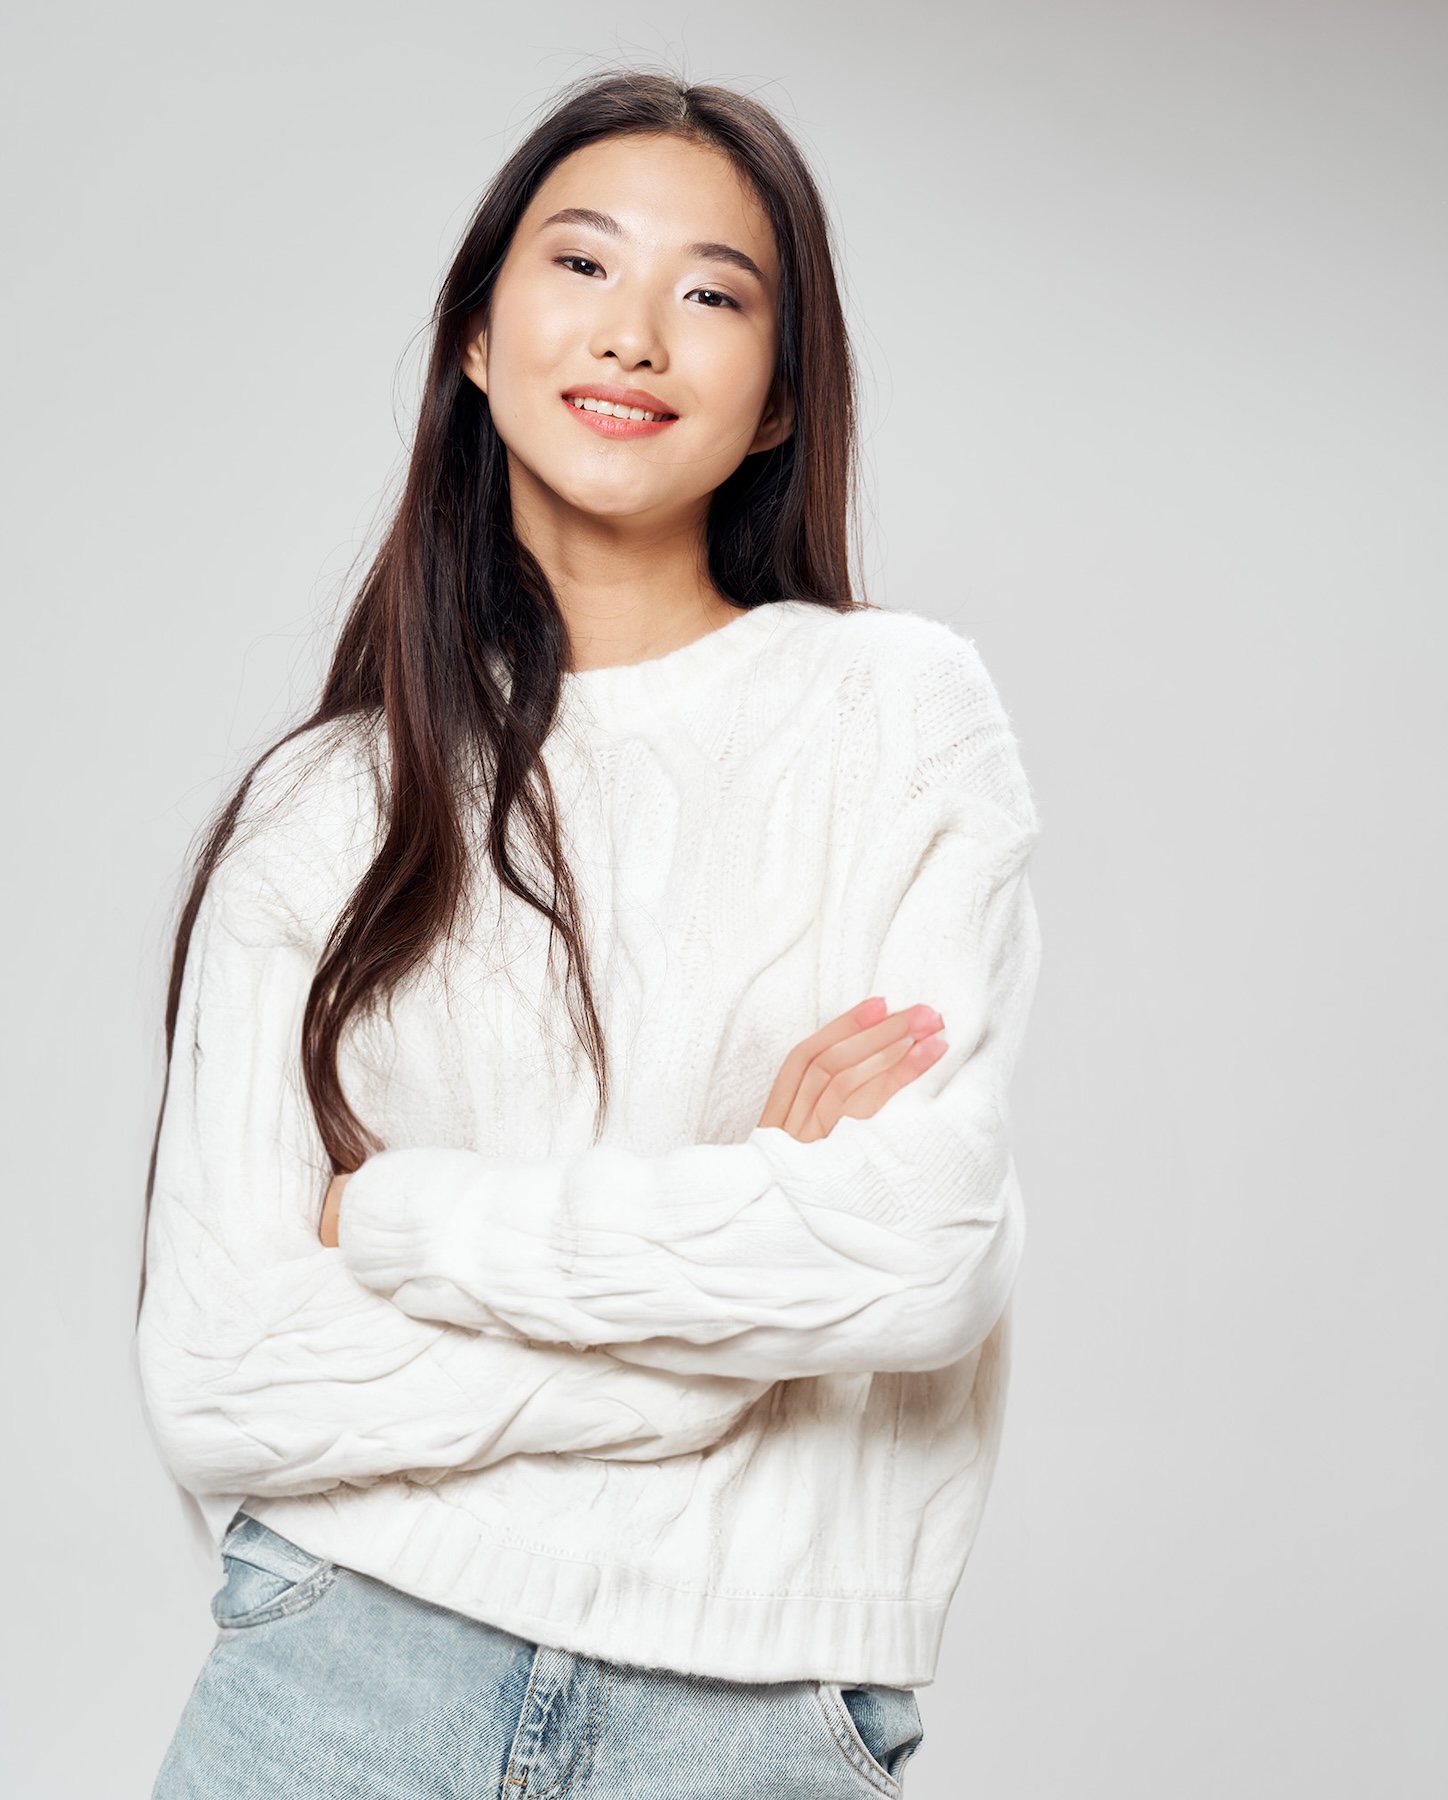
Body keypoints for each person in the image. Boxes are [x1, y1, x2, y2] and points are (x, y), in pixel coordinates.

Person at [138, 68, 1043, 1799]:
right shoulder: (330, 803)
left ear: (778, 399)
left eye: (713, 295)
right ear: (476, 336)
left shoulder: (895, 714)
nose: (637, 335)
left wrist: (403, 1219)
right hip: (344, 1663)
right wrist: (734, 1334)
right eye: (582, 266)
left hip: (756, 1718)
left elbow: (923, 1255)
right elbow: (222, 1370)